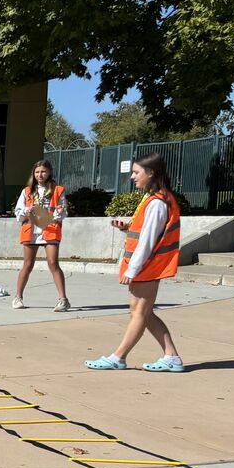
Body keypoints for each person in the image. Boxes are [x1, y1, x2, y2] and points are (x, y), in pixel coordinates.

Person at [86, 153, 185, 372]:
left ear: (151, 173)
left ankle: (118, 357)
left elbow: (147, 241)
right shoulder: (153, 199)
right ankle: (172, 357)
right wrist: (126, 227)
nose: (132, 176)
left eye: (136, 172)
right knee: (142, 313)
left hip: (147, 266)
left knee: (140, 313)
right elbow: (145, 232)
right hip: (147, 266)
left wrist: (132, 268)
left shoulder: (158, 203)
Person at [12, 159, 70, 311]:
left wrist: (60, 210)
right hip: (31, 230)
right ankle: (18, 297)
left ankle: (63, 299)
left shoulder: (58, 190)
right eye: (37, 172)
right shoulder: (27, 191)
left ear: (49, 172)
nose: (40, 175)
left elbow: (62, 212)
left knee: (53, 262)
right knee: (27, 264)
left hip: (49, 229)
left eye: (43, 171)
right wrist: (26, 211)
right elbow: (18, 211)